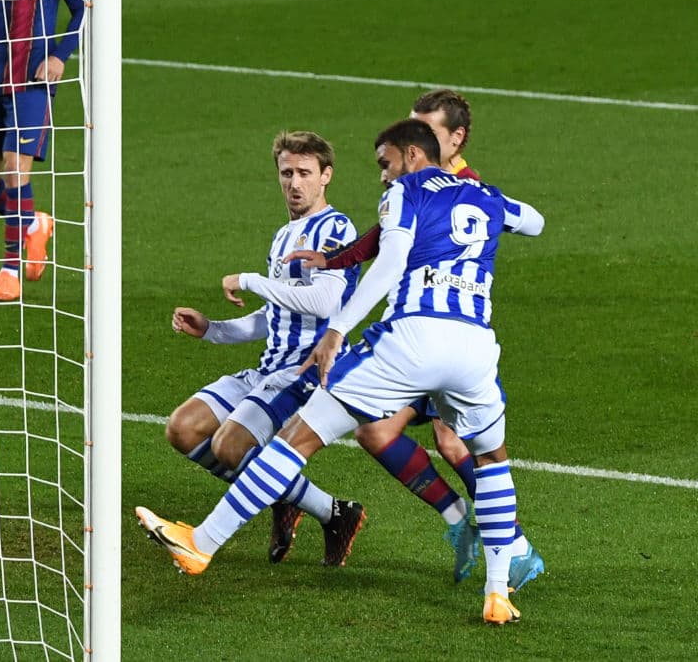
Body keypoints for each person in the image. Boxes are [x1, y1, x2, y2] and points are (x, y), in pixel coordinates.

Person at [137, 118, 545, 625]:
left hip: (413, 338)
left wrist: (338, 330)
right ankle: (498, 592)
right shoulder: (483, 195)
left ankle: (202, 542)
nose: (382, 176)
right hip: (476, 346)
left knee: (296, 439)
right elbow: (534, 223)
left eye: (385, 163)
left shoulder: (408, 190)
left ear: (412, 156)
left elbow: (391, 258)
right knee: (492, 461)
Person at [283, 89, 544, 591]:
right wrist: (334, 260)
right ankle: (462, 526)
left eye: (425, 128)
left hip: (445, 333)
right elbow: (384, 238)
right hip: (422, 337)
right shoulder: (416, 183)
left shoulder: (468, 188)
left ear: (455, 137)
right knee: (376, 432)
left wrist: (340, 314)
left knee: (453, 439)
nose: (413, 138)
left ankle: (512, 546)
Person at [163, 130, 365, 566]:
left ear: (326, 176)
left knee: (230, 447)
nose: (294, 183)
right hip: (267, 368)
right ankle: (324, 509)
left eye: (305, 173)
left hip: (305, 372)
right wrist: (212, 330)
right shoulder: (282, 237)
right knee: (182, 428)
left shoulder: (335, 229)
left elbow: (325, 302)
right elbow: (275, 315)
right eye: (286, 173)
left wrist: (252, 281)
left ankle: (307, 504)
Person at [0, 0, 85, 301]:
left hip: (32, 81)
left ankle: (9, 272)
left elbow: (83, 10)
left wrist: (60, 56)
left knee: (15, 168)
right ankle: (33, 222)